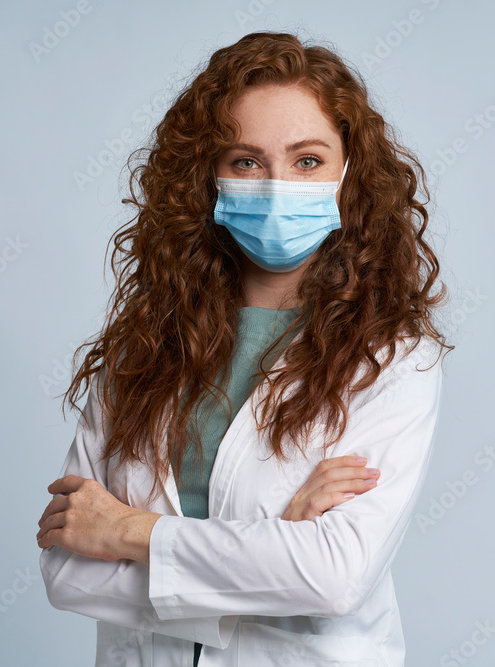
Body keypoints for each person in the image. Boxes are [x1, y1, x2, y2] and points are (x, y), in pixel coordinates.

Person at [37, 30, 453, 667]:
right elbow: (69, 571)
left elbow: (334, 577)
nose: (278, 185)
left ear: (351, 175)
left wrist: (128, 533)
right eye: (246, 162)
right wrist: (273, 548)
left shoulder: (392, 358)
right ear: (206, 177)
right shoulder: (142, 347)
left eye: (307, 161)